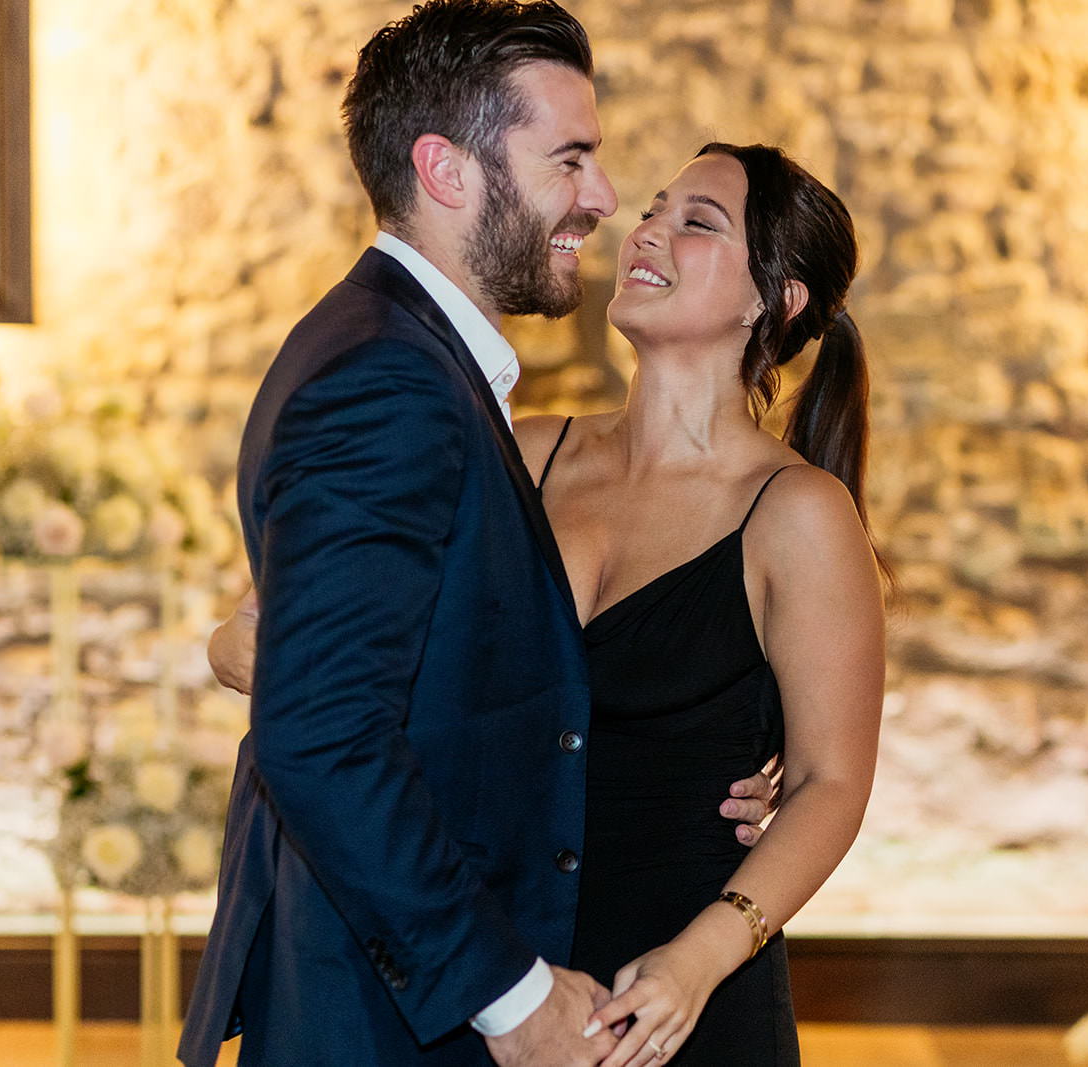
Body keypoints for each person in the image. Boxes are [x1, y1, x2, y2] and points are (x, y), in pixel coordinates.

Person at [177, 4, 771, 1066]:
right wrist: (507, 995)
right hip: (386, 1014)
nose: (600, 198)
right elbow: (323, 734)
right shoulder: (389, 383)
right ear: (446, 172)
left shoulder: (402, 360)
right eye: (571, 159)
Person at [519, 143, 888, 1066]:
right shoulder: (524, 454)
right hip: (503, 979)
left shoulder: (797, 513)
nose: (646, 230)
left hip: (681, 995)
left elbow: (828, 784)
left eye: (698, 221)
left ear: (778, 298)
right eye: (653, 208)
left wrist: (696, 960)